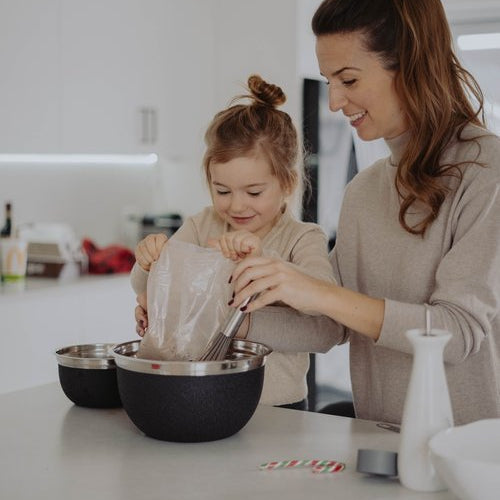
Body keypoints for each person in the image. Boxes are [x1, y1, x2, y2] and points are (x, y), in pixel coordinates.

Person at [226, 0, 500, 426]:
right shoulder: (365, 191)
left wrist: (319, 292)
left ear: (409, 64)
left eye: (348, 79)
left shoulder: (486, 171)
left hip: (466, 460)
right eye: (329, 81)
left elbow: (457, 333)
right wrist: (224, 314)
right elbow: (329, 328)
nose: (335, 101)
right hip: (379, 449)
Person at [131, 74, 335, 410]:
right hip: (202, 397)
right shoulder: (203, 224)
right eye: (222, 191)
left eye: (254, 192)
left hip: (278, 410)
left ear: (288, 183)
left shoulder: (302, 239)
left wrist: (263, 262)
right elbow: (145, 286)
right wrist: (148, 261)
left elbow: (321, 319)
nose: (236, 206)